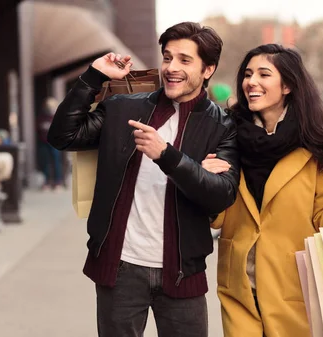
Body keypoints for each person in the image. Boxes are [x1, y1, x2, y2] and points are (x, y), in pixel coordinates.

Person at [47, 22, 240, 337]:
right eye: (167, 57)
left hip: (182, 271)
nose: (171, 68)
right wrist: (93, 76)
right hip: (120, 267)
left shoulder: (223, 126)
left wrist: (167, 155)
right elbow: (63, 136)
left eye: (184, 60)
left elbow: (221, 195)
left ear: (208, 69)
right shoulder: (126, 107)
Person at [202, 44, 323, 337]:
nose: (252, 82)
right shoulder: (227, 135)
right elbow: (218, 216)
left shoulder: (317, 144)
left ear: (287, 85)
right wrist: (207, 181)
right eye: (248, 74)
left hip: (294, 289)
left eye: (264, 74)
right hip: (240, 286)